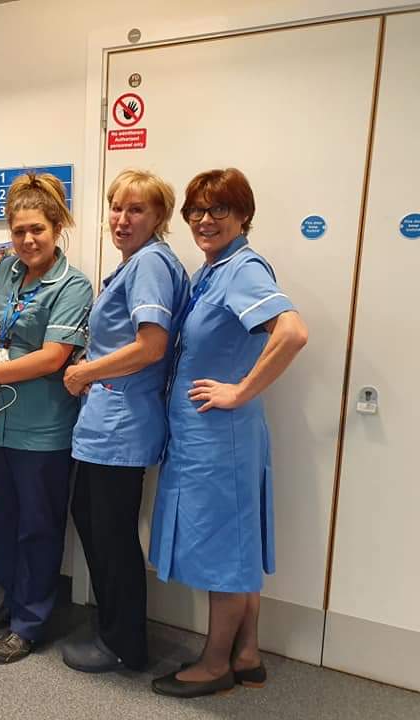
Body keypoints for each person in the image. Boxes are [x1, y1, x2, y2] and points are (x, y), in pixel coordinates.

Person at [149, 168, 308, 698]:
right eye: (196, 210)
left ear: (244, 215)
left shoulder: (241, 269)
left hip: (221, 439)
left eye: (219, 209)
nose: (204, 220)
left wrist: (239, 390)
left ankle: (215, 665)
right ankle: (246, 654)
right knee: (236, 544)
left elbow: (292, 331)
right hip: (213, 438)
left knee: (223, 551)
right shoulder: (213, 270)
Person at [0, 173, 93, 664]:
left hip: (43, 429)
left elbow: (53, 357)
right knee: (1, 519)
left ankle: (31, 620)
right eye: (19, 231)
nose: (28, 240)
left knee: (37, 524)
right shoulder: (6, 274)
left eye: (37, 229)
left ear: (57, 228)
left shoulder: (72, 285)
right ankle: (14, 599)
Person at [60, 170, 190, 673]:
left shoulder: (151, 264)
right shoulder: (137, 264)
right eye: (116, 207)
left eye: (136, 210)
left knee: (111, 533)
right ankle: (113, 628)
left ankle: (125, 645)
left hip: (123, 422)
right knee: (92, 520)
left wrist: (84, 371)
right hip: (110, 419)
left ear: (158, 217)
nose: (122, 218)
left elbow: (151, 345)